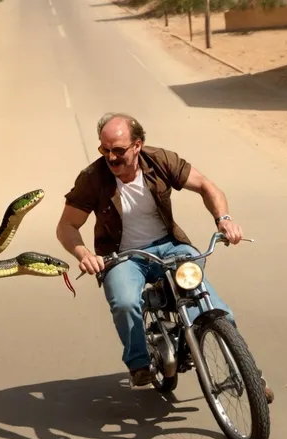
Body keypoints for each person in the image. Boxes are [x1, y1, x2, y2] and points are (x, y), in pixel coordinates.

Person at [56, 112, 274, 404]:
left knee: (210, 303)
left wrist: (223, 219)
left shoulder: (159, 160)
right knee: (124, 302)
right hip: (122, 257)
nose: (111, 157)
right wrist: (83, 253)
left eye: (119, 150)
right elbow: (66, 226)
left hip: (170, 247)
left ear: (137, 145)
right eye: (105, 150)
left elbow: (207, 186)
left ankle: (252, 376)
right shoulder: (93, 179)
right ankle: (138, 363)